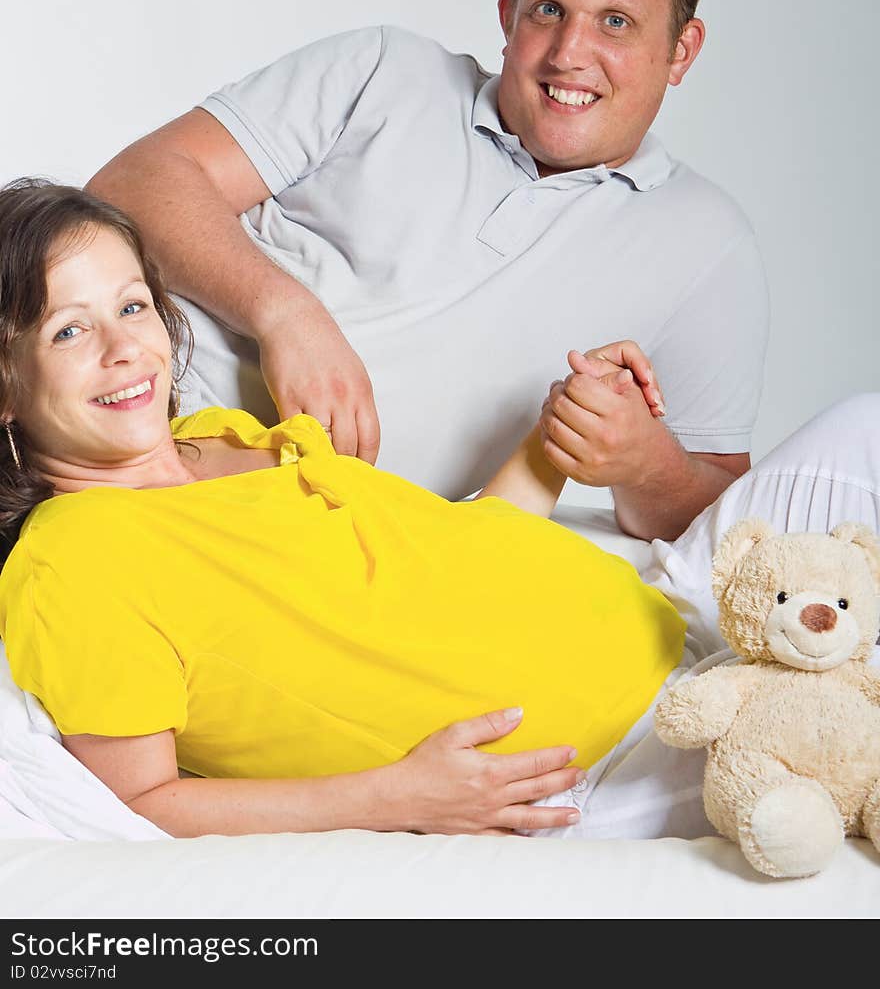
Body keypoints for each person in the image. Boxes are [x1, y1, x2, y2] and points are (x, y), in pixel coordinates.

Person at [0, 179, 686, 839]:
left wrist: (559, 432)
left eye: (131, 306)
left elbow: (451, 551)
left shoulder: (220, 435)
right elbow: (141, 804)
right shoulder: (73, 561)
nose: (124, 351)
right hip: (612, 762)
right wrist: (396, 798)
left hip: (677, 635)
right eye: (67, 332)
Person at [85, 0, 769, 543]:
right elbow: (131, 182)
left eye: (615, 22)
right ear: (508, 15)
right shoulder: (387, 70)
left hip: (297, 531)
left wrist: (644, 466)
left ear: (681, 51)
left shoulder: (708, 245)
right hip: (100, 401)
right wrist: (284, 313)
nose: (569, 54)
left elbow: (716, 512)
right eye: (548, 10)